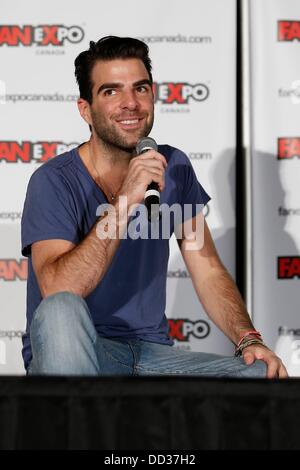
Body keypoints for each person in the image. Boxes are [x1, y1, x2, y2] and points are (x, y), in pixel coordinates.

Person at [21, 36, 287, 378]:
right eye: (111, 91)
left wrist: (248, 339)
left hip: (152, 357)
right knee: (60, 309)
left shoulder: (173, 166)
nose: (130, 103)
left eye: (140, 88)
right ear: (85, 109)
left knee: (259, 373)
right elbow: (60, 290)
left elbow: (207, 271)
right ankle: (82, 427)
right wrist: (127, 198)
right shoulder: (53, 180)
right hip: (82, 351)